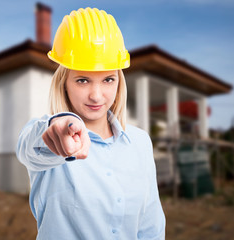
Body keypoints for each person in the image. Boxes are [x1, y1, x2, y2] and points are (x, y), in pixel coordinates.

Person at [16, 7, 166, 240]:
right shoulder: (48, 134)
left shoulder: (140, 142)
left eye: (108, 79)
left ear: (119, 81)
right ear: (64, 82)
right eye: (83, 80)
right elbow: (31, 146)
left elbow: (150, 225)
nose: (96, 96)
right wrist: (58, 127)